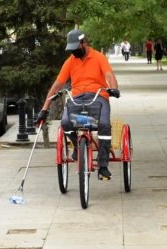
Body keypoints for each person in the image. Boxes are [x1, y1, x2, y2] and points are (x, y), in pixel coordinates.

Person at [36, 29, 120, 180]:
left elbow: (109, 75)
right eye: (71, 49)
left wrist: (113, 89)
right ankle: (76, 145)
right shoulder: (70, 62)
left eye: (76, 48)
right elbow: (57, 85)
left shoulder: (99, 57)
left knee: (104, 125)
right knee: (66, 123)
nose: (74, 52)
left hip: (98, 96)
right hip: (77, 98)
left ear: (84, 43)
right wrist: (44, 109)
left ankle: (103, 165)